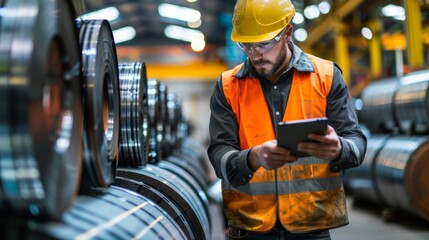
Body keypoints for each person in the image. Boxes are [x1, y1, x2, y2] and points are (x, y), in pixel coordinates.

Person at [207, 0, 367, 239]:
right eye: (247, 46)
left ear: (288, 33)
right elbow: (218, 153)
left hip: (312, 226)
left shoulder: (326, 76)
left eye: (263, 44)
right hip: (250, 229)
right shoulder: (229, 86)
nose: (256, 54)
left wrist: (338, 148)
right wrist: (253, 157)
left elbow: (357, 145)